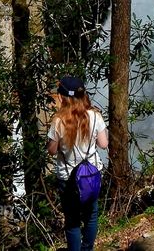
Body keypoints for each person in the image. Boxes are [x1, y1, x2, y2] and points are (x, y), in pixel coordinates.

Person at [47, 76, 108, 251]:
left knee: (72, 220)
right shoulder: (95, 116)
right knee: (91, 216)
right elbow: (103, 144)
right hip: (91, 175)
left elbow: (52, 150)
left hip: (68, 178)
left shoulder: (59, 120)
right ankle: (87, 249)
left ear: (63, 97)